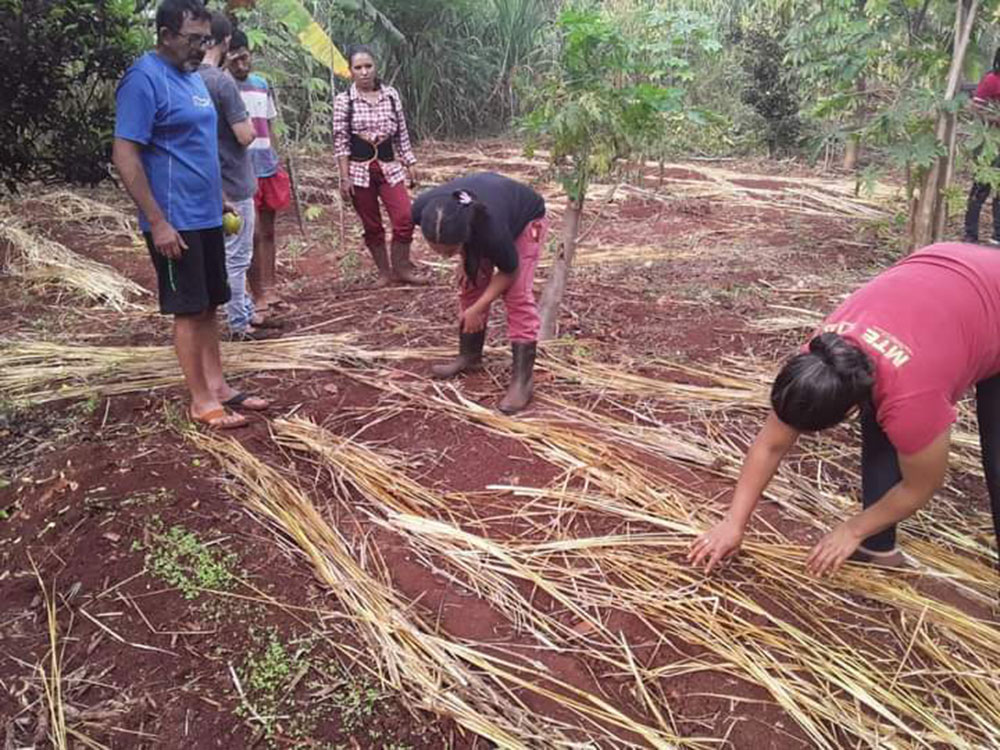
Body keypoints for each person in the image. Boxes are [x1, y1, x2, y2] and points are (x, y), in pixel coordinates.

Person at [689, 242, 1000, 577]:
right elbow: (771, 443)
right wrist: (733, 522)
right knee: (883, 416)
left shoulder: (913, 400)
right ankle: (879, 549)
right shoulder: (822, 356)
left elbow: (921, 485)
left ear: (849, 410)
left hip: (982, 289)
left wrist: (852, 529)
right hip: (949, 275)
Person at [113, 0, 268, 429]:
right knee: (188, 309)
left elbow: (196, 145)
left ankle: (218, 386)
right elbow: (125, 152)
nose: (200, 48)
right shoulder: (143, 80)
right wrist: (158, 221)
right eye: (192, 40)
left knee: (210, 304)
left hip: (206, 213)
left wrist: (217, 193)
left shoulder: (193, 78)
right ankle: (201, 400)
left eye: (204, 40)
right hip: (174, 219)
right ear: (165, 35)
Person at [412, 172, 547, 414]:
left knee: (517, 297)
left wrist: (478, 307)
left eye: (450, 250)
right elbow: (464, 244)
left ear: (465, 236)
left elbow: (509, 271)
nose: (443, 256)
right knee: (470, 282)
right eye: (437, 251)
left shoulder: (492, 229)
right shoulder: (423, 210)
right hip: (484, 216)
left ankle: (522, 384)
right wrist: (464, 259)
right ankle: (470, 356)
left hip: (524, 219)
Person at [333, 44, 426, 287]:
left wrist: (410, 161)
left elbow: (401, 133)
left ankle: (402, 267)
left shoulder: (391, 95)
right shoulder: (345, 101)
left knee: (404, 217)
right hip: (359, 170)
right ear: (351, 71)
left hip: (389, 167)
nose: (364, 72)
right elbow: (341, 142)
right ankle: (384, 273)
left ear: (376, 67)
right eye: (358, 67)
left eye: (368, 66)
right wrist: (344, 178)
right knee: (372, 224)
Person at [198, 12, 266, 339]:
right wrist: (250, 127)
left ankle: (244, 313)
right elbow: (244, 135)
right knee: (238, 256)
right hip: (234, 183)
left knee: (223, 253)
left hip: (205, 183)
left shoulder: (188, 77)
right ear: (225, 42)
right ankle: (239, 323)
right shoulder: (221, 82)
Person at [227, 29, 292, 315]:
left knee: (268, 231)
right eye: (235, 60)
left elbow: (270, 124)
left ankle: (270, 289)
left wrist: (276, 158)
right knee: (248, 235)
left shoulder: (261, 85)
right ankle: (256, 294)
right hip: (241, 172)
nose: (241, 65)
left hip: (267, 166)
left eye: (245, 58)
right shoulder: (222, 87)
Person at [963, 49, 1000, 245]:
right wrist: (995, 119)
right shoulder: (992, 80)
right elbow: (975, 107)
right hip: (989, 142)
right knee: (980, 187)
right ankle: (970, 234)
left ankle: (998, 235)